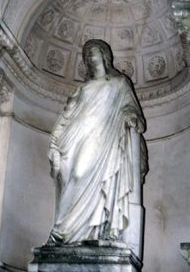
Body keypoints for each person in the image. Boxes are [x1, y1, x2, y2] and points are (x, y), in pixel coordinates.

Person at [47, 39, 147, 245]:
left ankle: (72, 230)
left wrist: (130, 116)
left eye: (93, 53)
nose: (89, 58)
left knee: (80, 173)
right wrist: (54, 144)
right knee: (68, 174)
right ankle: (66, 235)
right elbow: (66, 117)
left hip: (102, 138)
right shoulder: (83, 88)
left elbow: (131, 108)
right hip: (74, 138)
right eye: (86, 56)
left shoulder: (119, 84)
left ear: (104, 55)